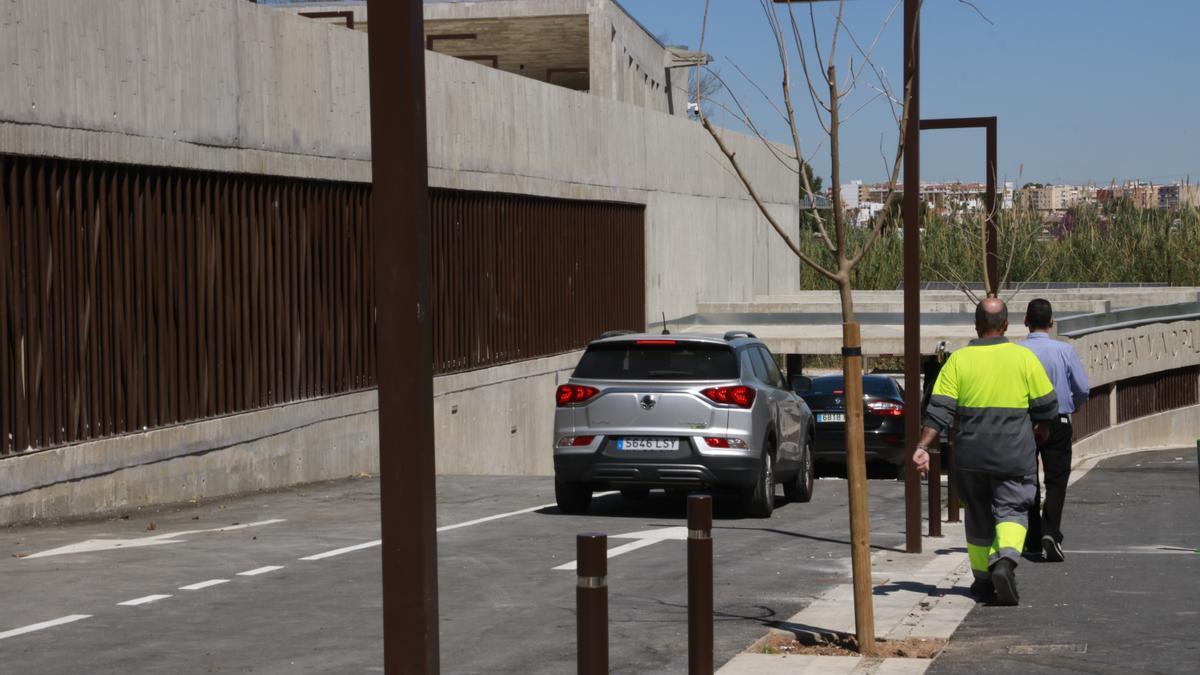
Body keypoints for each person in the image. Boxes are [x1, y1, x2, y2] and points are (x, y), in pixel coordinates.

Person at [912, 297, 1058, 605]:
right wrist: (1042, 431)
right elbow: (1047, 406)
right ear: (1006, 324)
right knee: (1013, 508)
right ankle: (1004, 560)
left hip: (970, 457)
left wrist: (923, 446)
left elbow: (939, 411)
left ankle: (981, 581)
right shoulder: (1024, 359)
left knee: (977, 514)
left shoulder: (958, 361)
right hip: (1013, 455)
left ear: (976, 326)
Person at [1019, 298, 1089, 562]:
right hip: (1058, 420)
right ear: (1051, 322)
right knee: (1057, 480)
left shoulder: (1018, 351)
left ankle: (1033, 538)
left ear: (1025, 321)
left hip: (1024, 422)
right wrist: (1072, 406)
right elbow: (1082, 388)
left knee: (1028, 480)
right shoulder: (1065, 351)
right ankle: (1050, 531)